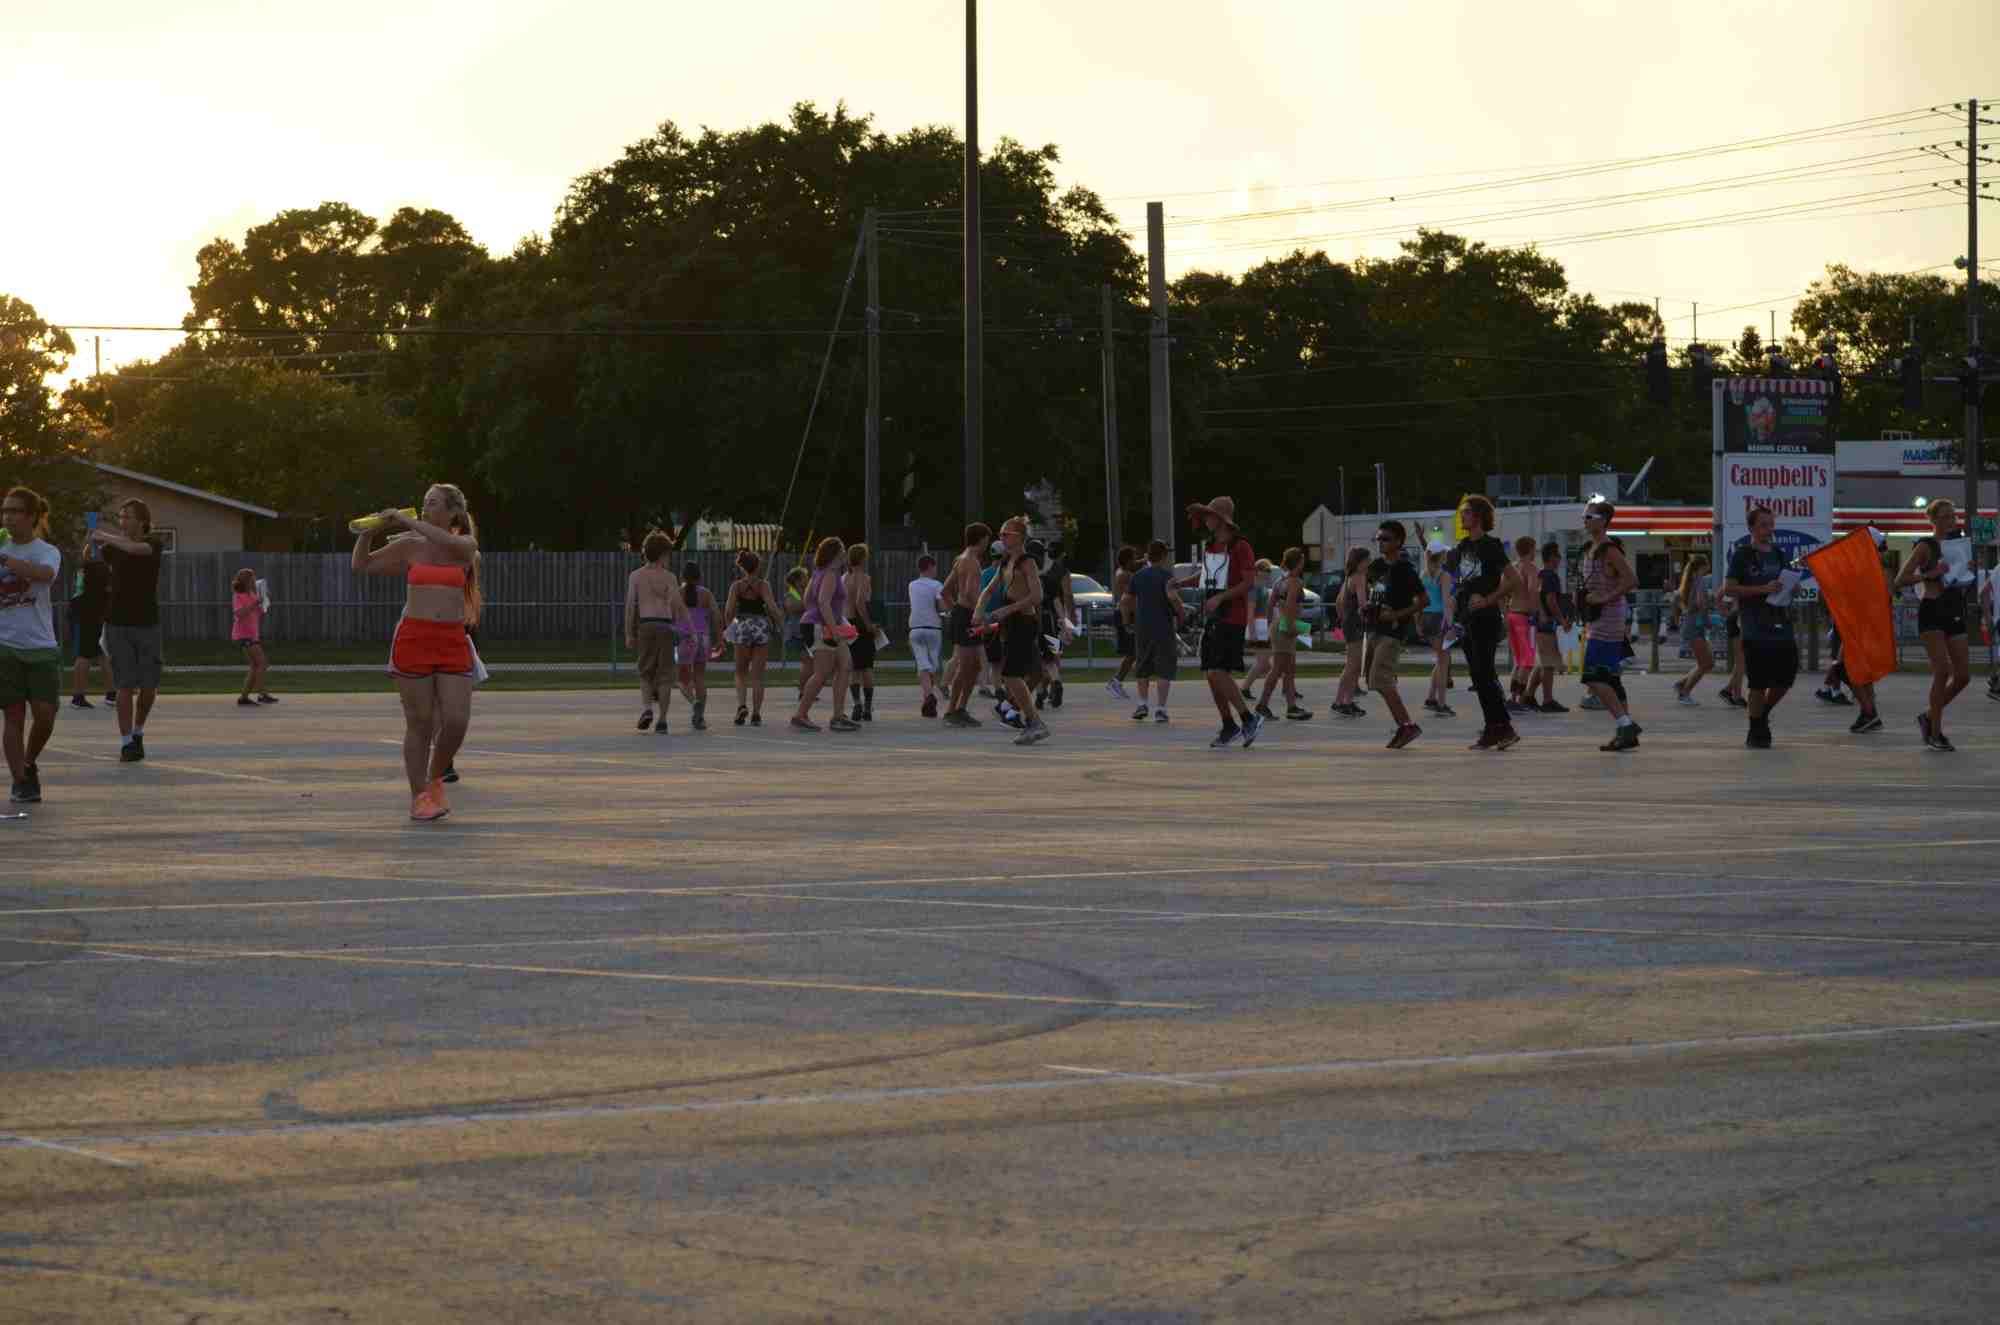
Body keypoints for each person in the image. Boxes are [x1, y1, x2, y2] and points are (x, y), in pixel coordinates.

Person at [351, 484, 480, 821]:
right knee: (420, 723)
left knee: (456, 721)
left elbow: (450, 543)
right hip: (414, 639)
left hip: (451, 640)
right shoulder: (410, 546)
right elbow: (362, 564)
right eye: (424, 503)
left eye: (432, 503)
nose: (425, 508)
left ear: (453, 512)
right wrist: (369, 533)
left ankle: (434, 778)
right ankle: (419, 797)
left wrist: (405, 521)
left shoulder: (465, 546)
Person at [89, 498, 165, 763]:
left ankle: (138, 730)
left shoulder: (153, 543)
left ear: (142, 521)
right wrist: (91, 541)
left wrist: (104, 536)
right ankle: (126, 743)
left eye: (127, 516)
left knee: (149, 686)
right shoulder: (115, 547)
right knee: (124, 684)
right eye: (120, 517)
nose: (122, 521)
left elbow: (136, 549)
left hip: (147, 623)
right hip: (117, 623)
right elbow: (90, 558)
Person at [1896, 497, 1973, 751]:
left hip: (1955, 609)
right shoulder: (1926, 546)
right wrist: (1930, 574)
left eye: (1953, 516)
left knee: (1963, 676)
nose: (1951, 521)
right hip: (1932, 610)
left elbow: (1961, 581)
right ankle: (1935, 732)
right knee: (1942, 671)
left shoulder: (1959, 545)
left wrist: (1967, 571)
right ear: (1933, 520)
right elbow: (1901, 579)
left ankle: (1929, 716)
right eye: (1945, 516)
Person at [0, 487, 61, 805]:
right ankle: (20, 781)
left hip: (40, 645)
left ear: (32, 516)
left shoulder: (45, 551)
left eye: (15, 511)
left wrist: (6, 560)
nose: (7, 517)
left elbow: (44, 574)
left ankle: (28, 761)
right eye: (5, 511)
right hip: (5, 644)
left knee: (45, 715)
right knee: (13, 716)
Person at [1187, 496, 1263, 749]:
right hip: (1215, 616)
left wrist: (1221, 597)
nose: (1205, 520)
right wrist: (1181, 582)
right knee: (1211, 673)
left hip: (1232, 616)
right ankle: (1228, 725)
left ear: (1220, 519)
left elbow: (1248, 582)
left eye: (1209, 515)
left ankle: (1249, 719)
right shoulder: (1212, 546)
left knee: (1218, 671)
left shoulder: (1240, 546)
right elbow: (1205, 575)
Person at [1722, 506, 1798, 749]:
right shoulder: (1742, 555)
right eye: (1763, 525)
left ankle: (1761, 714)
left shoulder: (1779, 554)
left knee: (1785, 678)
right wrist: (1762, 589)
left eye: (1771, 524)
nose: (1769, 529)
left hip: (1782, 624)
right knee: (1758, 682)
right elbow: (1729, 588)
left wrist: (1792, 588)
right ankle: (1756, 728)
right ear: (1751, 528)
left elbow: (1786, 583)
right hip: (1755, 626)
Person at [1452, 495, 1523, 750]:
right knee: (1478, 676)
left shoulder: (1491, 545)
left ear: (1479, 516)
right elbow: (1454, 579)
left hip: (1486, 618)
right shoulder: (1462, 547)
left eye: (1467, 511)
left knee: (1484, 674)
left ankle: (1503, 727)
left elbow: (1515, 580)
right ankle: (1494, 728)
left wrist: (1489, 599)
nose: (1462, 515)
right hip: (1467, 619)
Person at [1577, 500, 1641, 752]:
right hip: (1596, 618)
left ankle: (1626, 724)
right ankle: (1626, 733)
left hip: (1608, 620)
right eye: (1584, 516)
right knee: (1611, 679)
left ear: (1603, 521)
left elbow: (1631, 580)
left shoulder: (1610, 550)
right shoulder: (1590, 548)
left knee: (1592, 677)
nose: (1584, 520)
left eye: (1589, 516)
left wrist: (1605, 597)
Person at [979, 516, 1049, 745]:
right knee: (1033, 673)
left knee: (1010, 674)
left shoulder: (1027, 563)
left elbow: (1037, 596)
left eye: (1005, 534)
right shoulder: (1005, 562)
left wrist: (1007, 610)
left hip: (1024, 623)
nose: (1001, 538)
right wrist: (977, 614)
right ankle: (1017, 713)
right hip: (1012, 623)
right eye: (1000, 534)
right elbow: (989, 591)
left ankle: (1033, 721)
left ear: (1019, 538)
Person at [1366, 521, 1425, 749]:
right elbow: (1375, 594)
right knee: (1375, 680)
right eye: (1378, 539)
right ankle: (1404, 724)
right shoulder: (1376, 566)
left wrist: (1397, 615)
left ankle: (1407, 725)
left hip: (1393, 632)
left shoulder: (1405, 569)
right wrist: (1368, 608)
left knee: (1380, 679)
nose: (1381, 542)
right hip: (1375, 629)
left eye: (1386, 539)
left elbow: (1423, 601)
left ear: (1398, 542)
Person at [792, 537, 858, 733]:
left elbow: (807, 601)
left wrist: (837, 623)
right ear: (835, 553)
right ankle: (800, 715)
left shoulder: (818, 573)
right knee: (822, 672)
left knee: (845, 665)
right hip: (822, 627)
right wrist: (833, 629)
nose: (845, 553)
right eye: (842, 550)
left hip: (823, 625)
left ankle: (838, 716)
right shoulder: (830, 573)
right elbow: (823, 602)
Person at [623, 531, 684, 734]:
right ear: (662, 554)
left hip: (646, 625)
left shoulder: (636, 576)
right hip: (665, 626)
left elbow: (630, 606)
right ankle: (663, 720)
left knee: (645, 672)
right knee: (665, 676)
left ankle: (647, 708)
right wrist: (680, 626)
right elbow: (676, 604)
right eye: (668, 554)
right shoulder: (670, 577)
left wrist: (629, 633)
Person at [1125, 539, 1182, 722]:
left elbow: (1126, 601)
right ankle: (1161, 709)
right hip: (1164, 627)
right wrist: (1182, 614)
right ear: (1164, 556)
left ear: (1148, 556)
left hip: (1143, 627)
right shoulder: (1167, 577)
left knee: (1143, 664)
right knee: (1164, 667)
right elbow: (1174, 600)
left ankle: (1142, 704)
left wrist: (1128, 620)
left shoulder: (1138, 576)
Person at [939, 523, 990, 727]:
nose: (987, 543)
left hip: (963, 614)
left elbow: (945, 590)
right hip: (968, 615)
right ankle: (952, 711)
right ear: (981, 539)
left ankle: (960, 708)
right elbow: (969, 592)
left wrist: (955, 611)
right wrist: (979, 613)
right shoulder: (972, 562)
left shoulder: (961, 559)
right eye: (987, 539)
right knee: (967, 665)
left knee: (974, 665)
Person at [721, 550, 777, 727]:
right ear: (758, 566)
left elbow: (728, 611)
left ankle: (741, 706)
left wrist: (730, 627)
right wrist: (779, 621)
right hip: (760, 625)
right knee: (758, 676)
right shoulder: (763, 585)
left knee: (740, 672)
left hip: (743, 625)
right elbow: (772, 607)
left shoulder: (736, 586)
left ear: (742, 567)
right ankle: (756, 714)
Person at [1255, 549, 1312, 721]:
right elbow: (1289, 606)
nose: (1304, 563)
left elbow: (1270, 605)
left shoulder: (1280, 580)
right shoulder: (1295, 582)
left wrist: (1270, 625)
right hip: (1286, 625)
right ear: (1298, 562)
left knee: (1289, 670)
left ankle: (1291, 707)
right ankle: (1262, 705)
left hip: (1279, 624)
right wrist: (1290, 627)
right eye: (1302, 560)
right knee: (1278, 669)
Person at [67, 538, 113, 709]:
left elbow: (84, 556)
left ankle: (107, 694)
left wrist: (90, 539)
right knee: (93, 654)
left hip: (87, 614)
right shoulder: (106, 571)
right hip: (92, 614)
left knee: (93, 654)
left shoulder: (89, 568)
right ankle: (83, 696)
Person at [1330, 546, 1372, 719]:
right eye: (1367, 560)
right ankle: (1341, 702)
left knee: (1352, 665)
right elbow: (1363, 604)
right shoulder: (1360, 577)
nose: (1369, 563)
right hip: (1355, 623)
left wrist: (1342, 618)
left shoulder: (1348, 577)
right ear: (1360, 562)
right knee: (1352, 665)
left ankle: (1345, 700)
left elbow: (1338, 602)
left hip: (1349, 622)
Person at [677, 561, 719, 729]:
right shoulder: (706, 594)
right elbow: (716, 615)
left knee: (681, 680)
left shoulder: (678, 593)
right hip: (703, 638)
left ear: (682, 576)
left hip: (686, 637)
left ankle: (694, 702)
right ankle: (700, 717)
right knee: (700, 677)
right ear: (699, 576)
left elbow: (670, 614)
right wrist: (720, 638)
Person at [1671, 554, 1715, 706]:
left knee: (1708, 663)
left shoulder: (1688, 580)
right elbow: (1701, 603)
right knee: (1705, 663)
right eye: (1707, 564)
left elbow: (1676, 598)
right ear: (1703, 566)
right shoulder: (1700, 581)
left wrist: (1682, 612)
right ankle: (1684, 693)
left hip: (1691, 624)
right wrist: (1707, 619)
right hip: (1695, 626)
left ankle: (1681, 684)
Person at [1530, 542, 1568, 713]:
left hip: (1539, 623)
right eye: (1558, 555)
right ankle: (1547, 700)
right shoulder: (1551, 576)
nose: (1560, 559)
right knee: (1549, 664)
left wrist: (1540, 613)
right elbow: (1551, 600)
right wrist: (1562, 620)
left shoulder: (1540, 574)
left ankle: (1528, 695)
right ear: (1552, 557)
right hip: (1547, 624)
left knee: (1544, 662)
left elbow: (1536, 595)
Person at [230, 568, 276, 707]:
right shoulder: (238, 595)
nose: (254, 581)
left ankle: (244, 698)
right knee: (262, 663)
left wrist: (264, 601)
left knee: (255, 666)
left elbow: (259, 612)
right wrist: (255, 603)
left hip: (252, 633)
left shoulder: (252, 594)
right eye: (251, 579)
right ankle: (262, 694)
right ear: (245, 581)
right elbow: (239, 613)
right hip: (244, 634)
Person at [906, 553, 946, 717]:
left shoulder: (912, 585)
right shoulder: (937, 585)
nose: (936, 570)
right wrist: (946, 612)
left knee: (922, 664)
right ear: (930, 567)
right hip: (933, 628)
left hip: (915, 627)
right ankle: (929, 696)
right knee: (932, 666)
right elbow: (942, 607)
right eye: (935, 567)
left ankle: (927, 699)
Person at [1505, 534, 1541, 715]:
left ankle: (1512, 698)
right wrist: (1536, 612)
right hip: (1525, 618)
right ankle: (1519, 699)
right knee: (1527, 662)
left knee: (1519, 660)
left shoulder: (1511, 568)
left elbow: (1502, 591)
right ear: (1530, 550)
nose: (1536, 553)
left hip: (1511, 615)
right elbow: (1533, 590)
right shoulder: (1531, 568)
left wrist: (1504, 613)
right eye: (1534, 549)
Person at [1035, 543, 1073, 709]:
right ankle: (1056, 681)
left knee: (1037, 661)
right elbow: (1057, 603)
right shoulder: (1049, 580)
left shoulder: (1027, 578)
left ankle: (1040, 693)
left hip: (1033, 622)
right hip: (1050, 622)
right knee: (1051, 658)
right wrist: (1065, 624)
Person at [843, 543, 877, 721]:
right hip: (859, 623)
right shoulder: (863, 577)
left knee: (854, 667)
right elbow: (859, 602)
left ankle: (857, 704)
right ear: (863, 558)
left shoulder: (844, 578)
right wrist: (868, 624)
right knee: (867, 667)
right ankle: (867, 708)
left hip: (846, 622)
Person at [1421, 544, 1456, 717]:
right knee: (1444, 663)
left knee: (1440, 659)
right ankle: (1441, 704)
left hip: (1427, 618)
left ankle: (1431, 698)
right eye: (1445, 553)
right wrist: (1450, 626)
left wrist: (1418, 623)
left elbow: (1420, 600)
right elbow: (1446, 603)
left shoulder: (1424, 574)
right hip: (1440, 619)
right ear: (1441, 555)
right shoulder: (1444, 575)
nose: (1446, 555)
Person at [1106, 544, 1140, 700]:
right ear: (1127, 560)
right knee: (1132, 653)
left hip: (1129, 614)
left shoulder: (1123, 571)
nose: (1136, 561)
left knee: (1133, 653)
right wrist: (1127, 623)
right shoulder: (1125, 575)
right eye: (1134, 558)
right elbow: (1127, 598)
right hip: (1125, 615)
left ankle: (1117, 681)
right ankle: (1116, 682)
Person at [783, 564, 809, 697]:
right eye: (805, 577)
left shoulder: (805, 593)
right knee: (809, 662)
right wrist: (808, 603)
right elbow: (792, 607)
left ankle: (804, 689)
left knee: (809, 663)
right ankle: (803, 690)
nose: (807, 579)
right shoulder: (791, 594)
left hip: (807, 632)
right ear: (798, 581)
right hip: (796, 634)